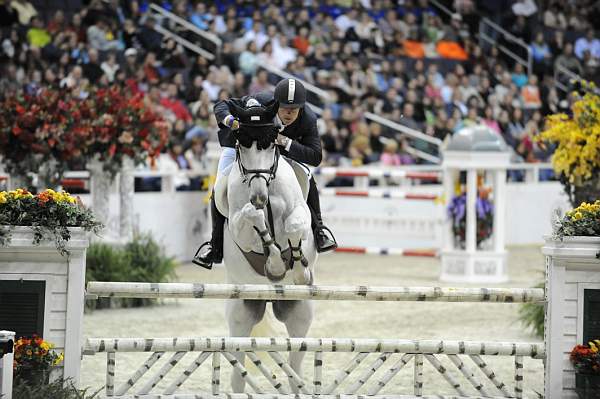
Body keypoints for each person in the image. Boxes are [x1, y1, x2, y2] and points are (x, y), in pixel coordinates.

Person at [193, 78, 337, 269]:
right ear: (275, 103)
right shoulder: (259, 101)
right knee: (220, 186)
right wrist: (231, 122)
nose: (288, 113)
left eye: (294, 110)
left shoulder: (308, 119)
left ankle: (319, 230)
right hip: (239, 148)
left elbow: (315, 156)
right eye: (284, 107)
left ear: (301, 108)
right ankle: (215, 245)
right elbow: (221, 106)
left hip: (279, 152)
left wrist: (284, 142)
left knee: (307, 176)